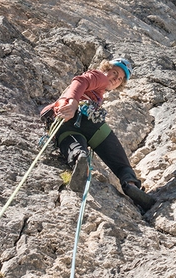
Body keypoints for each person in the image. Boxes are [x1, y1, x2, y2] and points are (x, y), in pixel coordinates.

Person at [40, 58, 155, 211]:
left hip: (65, 123)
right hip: (82, 117)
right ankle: (130, 183)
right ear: (105, 68)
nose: (115, 79)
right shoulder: (99, 76)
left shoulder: (99, 93)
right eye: (114, 72)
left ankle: (79, 161)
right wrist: (73, 102)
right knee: (118, 159)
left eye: (120, 79)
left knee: (73, 145)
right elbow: (80, 81)